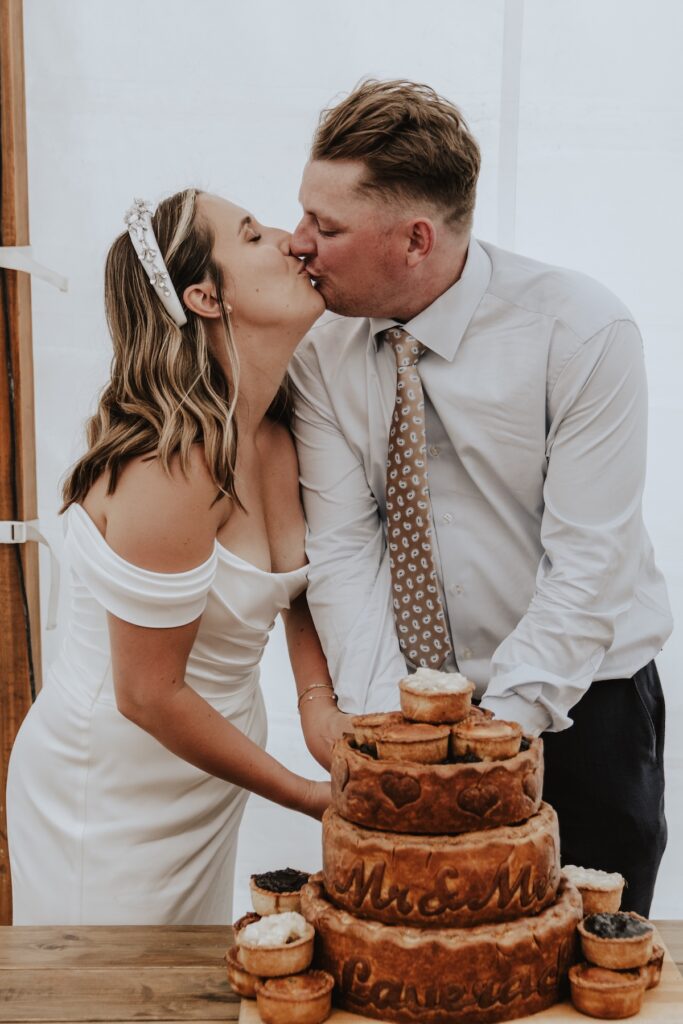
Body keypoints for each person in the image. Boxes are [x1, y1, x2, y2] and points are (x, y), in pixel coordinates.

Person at [288, 79, 673, 917]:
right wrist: (394, 732)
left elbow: (588, 563)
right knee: (437, 964)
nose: (297, 244)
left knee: (591, 968)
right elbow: (345, 548)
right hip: (405, 721)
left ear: (415, 238)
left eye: (327, 226)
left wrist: (493, 737)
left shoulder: (582, 331)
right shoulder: (318, 353)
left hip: (587, 708)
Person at [7, 189, 334, 925]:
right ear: (204, 296)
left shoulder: (281, 431)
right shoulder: (171, 464)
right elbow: (148, 694)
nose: (290, 238)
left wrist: (318, 707)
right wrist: (310, 797)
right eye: (252, 235)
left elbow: (298, 591)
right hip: (115, 786)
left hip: (209, 765)